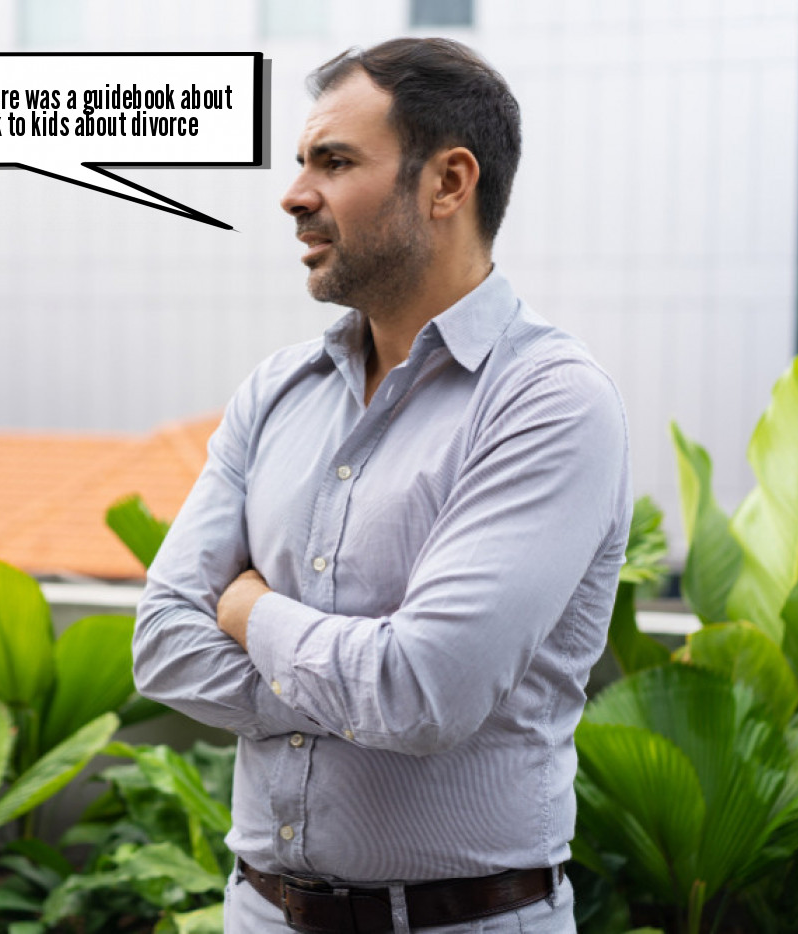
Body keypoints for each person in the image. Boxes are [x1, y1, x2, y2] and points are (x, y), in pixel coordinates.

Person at [133, 38, 631, 933]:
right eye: (301, 165)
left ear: (448, 183)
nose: (293, 196)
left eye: (334, 162)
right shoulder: (276, 391)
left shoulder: (551, 404)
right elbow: (164, 643)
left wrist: (251, 615)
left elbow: (421, 692)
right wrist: (360, 692)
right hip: (259, 911)